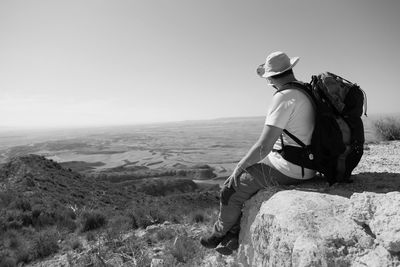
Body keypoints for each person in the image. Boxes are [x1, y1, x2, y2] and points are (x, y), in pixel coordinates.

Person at [200, 51, 317, 255]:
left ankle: (220, 233)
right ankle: (234, 234)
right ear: (289, 70)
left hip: (292, 168)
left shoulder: (284, 97)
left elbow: (264, 146)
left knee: (230, 188)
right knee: (248, 179)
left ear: (271, 77)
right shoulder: (305, 90)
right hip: (309, 163)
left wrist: (239, 167)